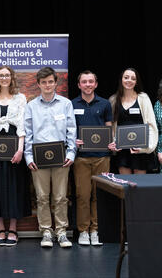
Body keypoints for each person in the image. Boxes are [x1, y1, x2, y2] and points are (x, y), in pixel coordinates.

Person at [24, 67, 76, 248]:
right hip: (38, 160)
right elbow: (28, 133)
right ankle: (46, 231)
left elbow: (71, 130)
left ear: (56, 83)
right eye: (43, 82)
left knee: (61, 197)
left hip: (62, 158)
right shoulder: (31, 106)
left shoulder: (65, 104)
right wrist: (28, 156)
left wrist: (71, 153)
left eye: (50, 82)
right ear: (38, 84)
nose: (47, 85)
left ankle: (61, 232)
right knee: (42, 197)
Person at [0, 66, 31, 247]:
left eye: (7, 75)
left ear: (12, 78)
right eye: (1, 75)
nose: (4, 78)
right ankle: (0, 228)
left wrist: (20, 150)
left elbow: (22, 127)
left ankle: (13, 228)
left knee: (14, 187)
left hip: (14, 148)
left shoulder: (20, 98)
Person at [71, 70, 113, 246]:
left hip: (102, 157)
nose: (87, 85)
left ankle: (95, 230)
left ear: (95, 84)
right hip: (81, 158)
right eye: (84, 82)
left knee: (98, 195)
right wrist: (73, 140)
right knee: (82, 195)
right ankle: (83, 231)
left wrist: (111, 142)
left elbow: (109, 128)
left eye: (91, 82)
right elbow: (69, 128)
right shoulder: (72, 104)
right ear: (79, 85)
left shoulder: (104, 104)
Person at [108, 68, 158, 174]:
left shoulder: (143, 98)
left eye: (133, 78)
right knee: (125, 185)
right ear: (121, 80)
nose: (129, 80)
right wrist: (113, 142)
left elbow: (151, 124)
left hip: (139, 148)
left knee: (139, 186)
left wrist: (147, 147)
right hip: (122, 150)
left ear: (136, 82)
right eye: (126, 77)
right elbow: (111, 126)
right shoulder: (113, 100)